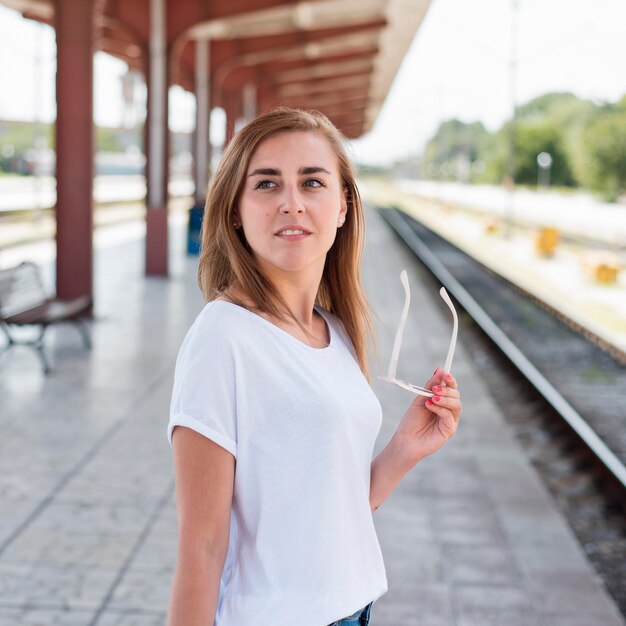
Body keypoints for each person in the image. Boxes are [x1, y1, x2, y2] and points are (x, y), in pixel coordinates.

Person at [166, 106, 462, 626]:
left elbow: (326, 512)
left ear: (344, 206)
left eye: (312, 182)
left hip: (354, 608)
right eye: (266, 184)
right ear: (235, 209)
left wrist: (404, 450)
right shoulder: (223, 338)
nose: (291, 203)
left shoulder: (334, 329)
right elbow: (203, 547)